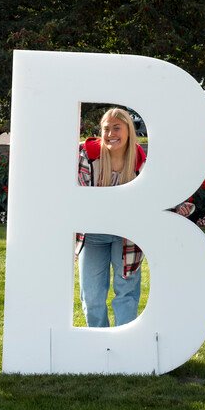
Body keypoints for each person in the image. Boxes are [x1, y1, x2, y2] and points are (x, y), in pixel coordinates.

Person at [75, 107, 151, 327]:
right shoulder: (87, 156)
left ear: (128, 130)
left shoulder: (139, 160)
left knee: (126, 293)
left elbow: (151, 197)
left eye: (117, 128)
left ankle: (124, 347)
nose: (110, 134)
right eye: (106, 129)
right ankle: (99, 346)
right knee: (92, 297)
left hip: (126, 235)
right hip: (93, 235)